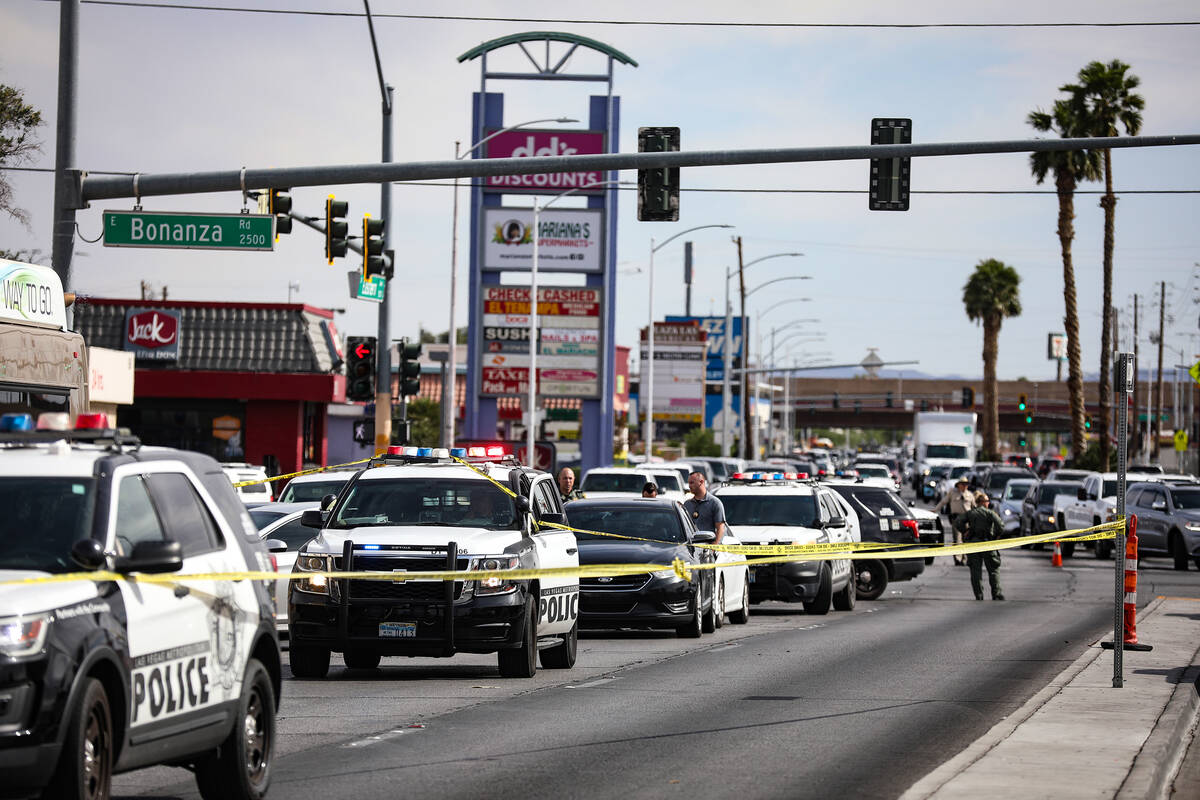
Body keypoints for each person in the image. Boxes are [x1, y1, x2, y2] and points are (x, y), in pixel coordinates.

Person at [954, 490, 1005, 601]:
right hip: (988, 544)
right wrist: (995, 537)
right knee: (993, 570)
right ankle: (996, 594)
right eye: (987, 501)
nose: (988, 503)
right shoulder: (990, 513)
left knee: (975, 572)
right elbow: (1001, 526)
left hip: (974, 544)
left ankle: (979, 595)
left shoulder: (971, 513)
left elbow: (958, 522)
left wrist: (965, 531)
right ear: (982, 502)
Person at [935, 477, 976, 565]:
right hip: (957, 519)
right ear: (958, 485)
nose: (964, 486)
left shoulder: (970, 495)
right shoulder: (952, 493)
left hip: (967, 519)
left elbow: (974, 507)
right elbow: (943, 502)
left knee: (967, 540)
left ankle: (965, 559)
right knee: (957, 539)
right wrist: (935, 510)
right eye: (963, 484)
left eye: (966, 484)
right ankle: (958, 559)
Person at [683, 472, 726, 544]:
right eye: (689, 483)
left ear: (701, 482)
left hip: (707, 549)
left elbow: (720, 528)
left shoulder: (715, 503)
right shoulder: (687, 504)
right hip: (691, 548)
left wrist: (714, 547)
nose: (689, 486)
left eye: (692, 483)